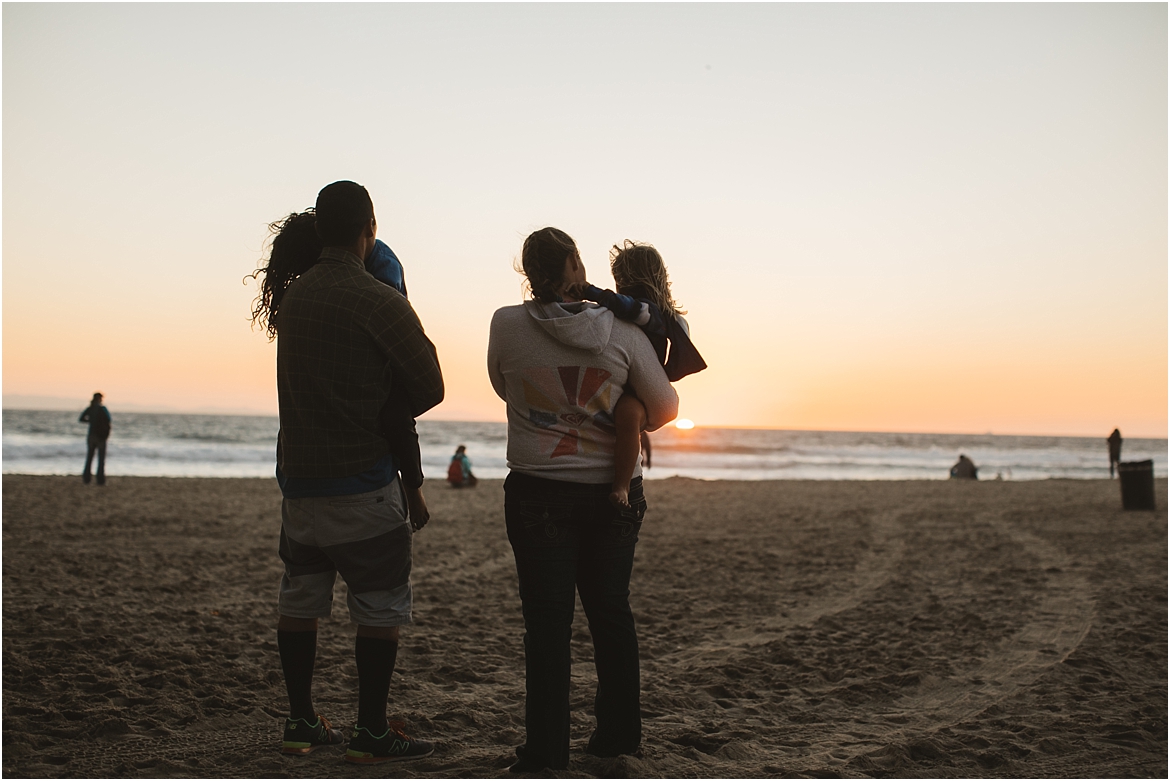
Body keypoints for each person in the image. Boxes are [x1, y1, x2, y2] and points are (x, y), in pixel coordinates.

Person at [249, 181, 444, 764]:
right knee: (380, 606)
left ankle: (302, 721)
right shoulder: (377, 299)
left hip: (300, 484)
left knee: (300, 599)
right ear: (370, 229)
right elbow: (430, 385)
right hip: (362, 482)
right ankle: (372, 730)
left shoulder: (296, 299)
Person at [487, 227, 678, 772]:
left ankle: (546, 750)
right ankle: (617, 739)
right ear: (576, 263)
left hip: (537, 491)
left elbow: (504, 384)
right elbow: (665, 407)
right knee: (610, 612)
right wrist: (617, 407)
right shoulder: (622, 328)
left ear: (527, 271)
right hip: (610, 495)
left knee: (546, 626)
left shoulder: (505, 324)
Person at [249, 211, 429, 525]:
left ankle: (413, 490)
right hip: (352, 480)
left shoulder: (380, 268)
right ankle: (413, 491)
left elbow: (394, 327)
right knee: (397, 418)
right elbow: (429, 386)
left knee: (397, 414)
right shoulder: (316, 288)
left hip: (299, 479)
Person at [574, 241, 705, 509]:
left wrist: (591, 291)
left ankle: (621, 485)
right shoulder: (655, 314)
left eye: (620, 280)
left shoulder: (649, 313)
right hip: (619, 381)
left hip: (637, 392)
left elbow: (630, 308)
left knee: (628, 416)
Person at [78, 392, 111, 485]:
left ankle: (86, 479)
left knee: (89, 458)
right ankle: (100, 480)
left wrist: (91, 421)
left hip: (91, 436)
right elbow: (109, 419)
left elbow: (81, 419)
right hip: (101, 437)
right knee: (101, 459)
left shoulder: (90, 408)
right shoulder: (103, 409)